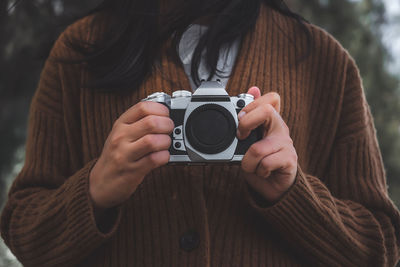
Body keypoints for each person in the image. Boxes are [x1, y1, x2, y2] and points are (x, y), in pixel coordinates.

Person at [1, 0, 400, 266]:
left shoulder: (325, 62)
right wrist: (95, 190)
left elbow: (381, 247)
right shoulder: (80, 50)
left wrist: (293, 193)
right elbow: (24, 231)